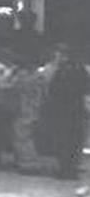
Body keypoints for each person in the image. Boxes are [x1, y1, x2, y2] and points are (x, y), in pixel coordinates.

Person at [38, 44, 89, 179]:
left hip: (61, 110)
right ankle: (73, 169)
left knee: (63, 140)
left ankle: (64, 169)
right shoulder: (80, 69)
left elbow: (53, 90)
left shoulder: (60, 70)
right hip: (77, 109)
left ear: (62, 55)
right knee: (75, 140)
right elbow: (86, 88)